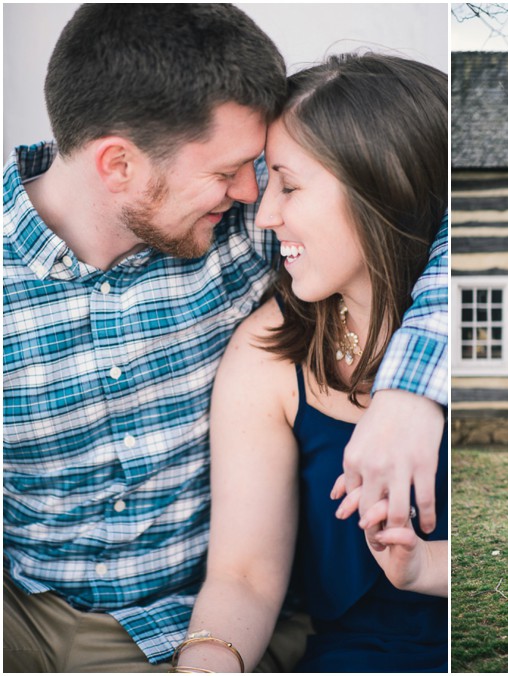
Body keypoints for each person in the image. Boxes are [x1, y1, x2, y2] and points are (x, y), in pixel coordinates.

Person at [3, 6, 446, 672]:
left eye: (269, 176)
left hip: (189, 615)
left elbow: (421, 196)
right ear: (117, 164)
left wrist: (412, 388)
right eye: (230, 172)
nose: (254, 199)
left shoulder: (259, 215)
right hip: (23, 606)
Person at [169, 54, 447, 674]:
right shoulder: (268, 350)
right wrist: (207, 663)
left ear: (385, 186)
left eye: (289, 186)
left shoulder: (455, 328)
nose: (265, 216)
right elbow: (243, 577)